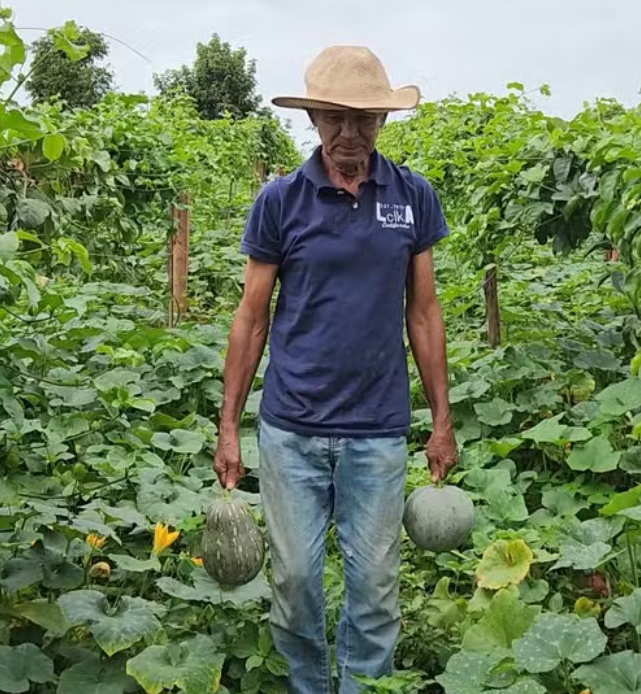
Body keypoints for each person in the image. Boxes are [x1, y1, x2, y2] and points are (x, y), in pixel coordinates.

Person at [211, 46, 458, 694]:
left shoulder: (412, 198)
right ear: (314, 118)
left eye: (364, 120)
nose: (349, 135)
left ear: (382, 120)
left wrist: (442, 421)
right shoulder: (281, 201)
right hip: (292, 427)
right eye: (334, 119)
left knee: (374, 590)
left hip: (376, 429)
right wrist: (229, 427)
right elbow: (252, 317)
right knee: (293, 584)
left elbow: (425, 314)